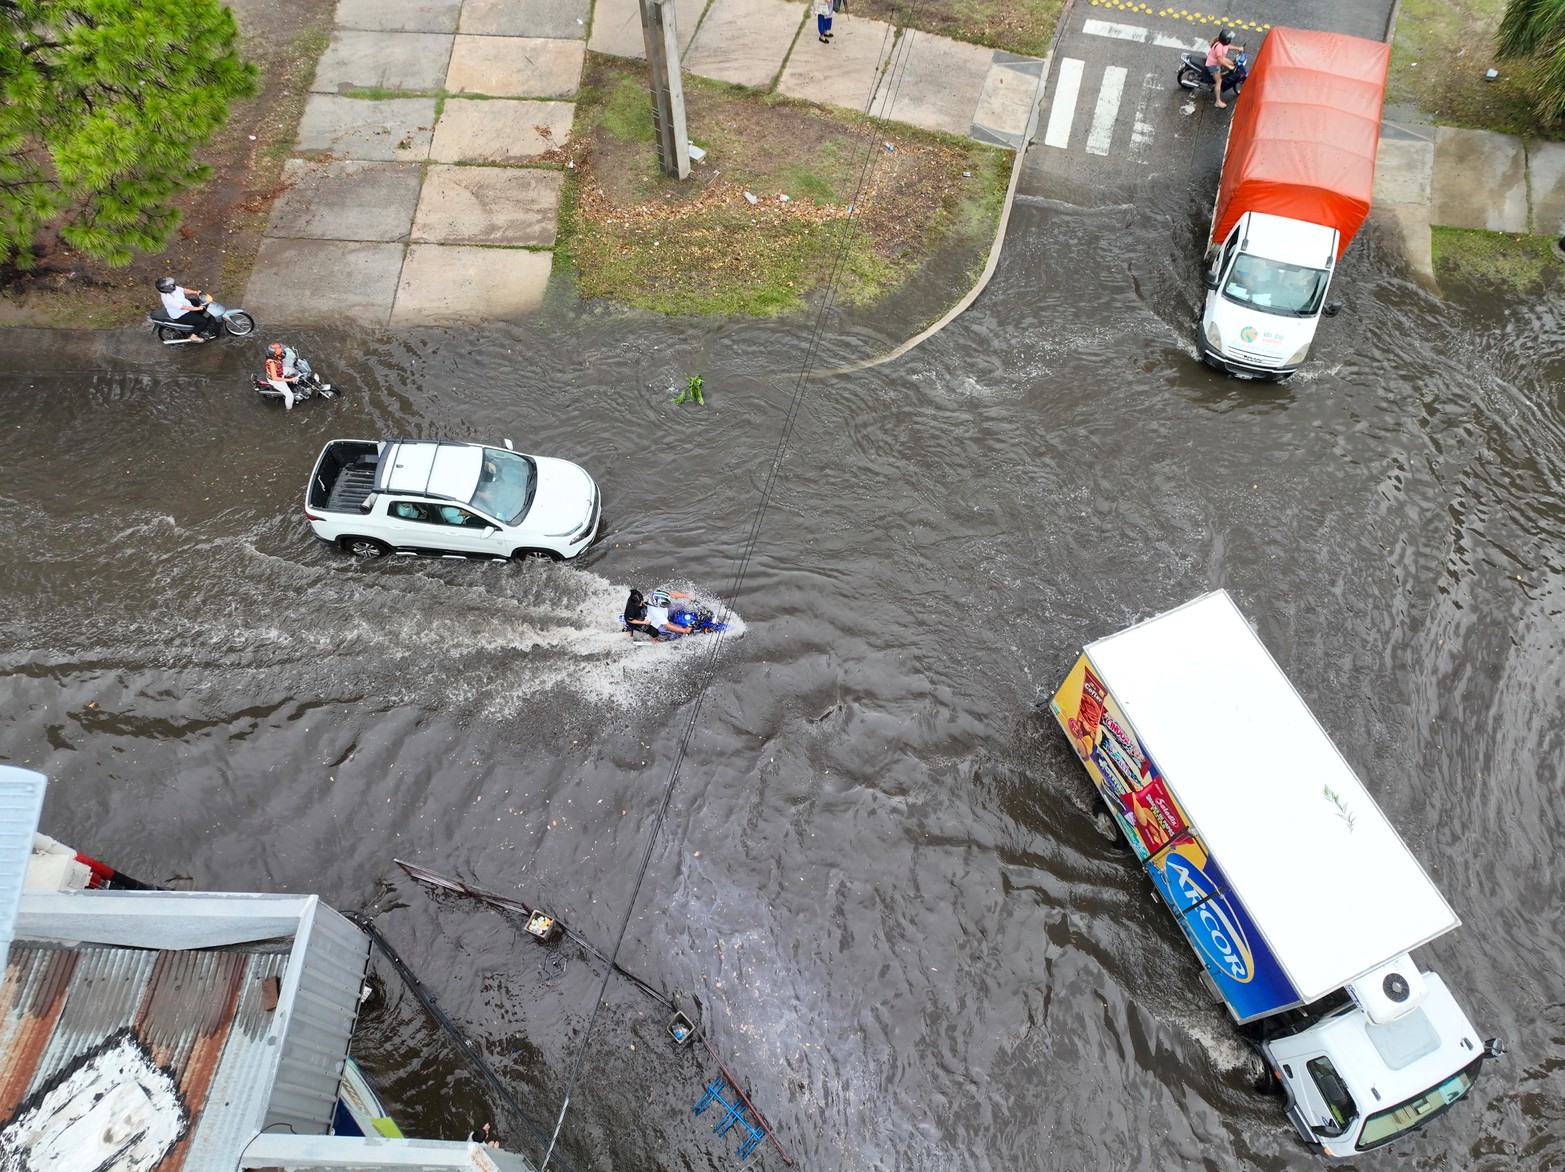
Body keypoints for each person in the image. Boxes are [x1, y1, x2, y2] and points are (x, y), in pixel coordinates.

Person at [1205, 29, 1241, 109]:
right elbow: (1220, 61)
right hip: (1213, 65)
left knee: (1232, 63)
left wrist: (1238, 48)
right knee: (1219, 81)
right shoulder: (1219, 47)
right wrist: (1229, 67)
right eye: (1229, 39)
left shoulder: (1222, 44)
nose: (1230, 40)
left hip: (1218, 60)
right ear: (1225, 40)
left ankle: (1219, 74)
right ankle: (1217, 101)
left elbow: (1228, 46)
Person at [264, 341, 298, 409]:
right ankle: (289, 409)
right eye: (278, 351)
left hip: (281, 371)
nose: (281, 351)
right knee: (290, 396)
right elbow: (275, 378)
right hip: (276, 380)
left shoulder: (276, 357)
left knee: (295, 370)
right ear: (274, 354)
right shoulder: (272, 363)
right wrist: (290, 379)